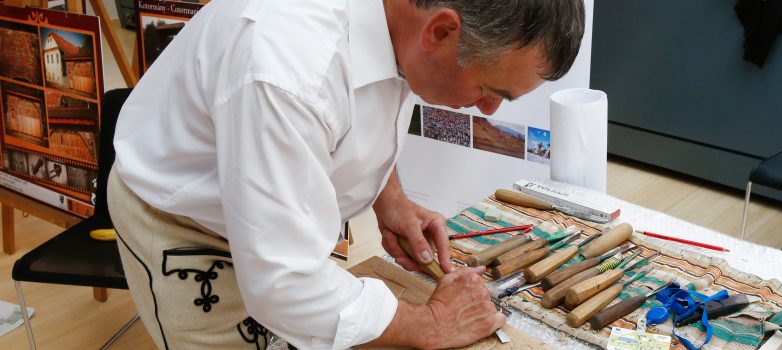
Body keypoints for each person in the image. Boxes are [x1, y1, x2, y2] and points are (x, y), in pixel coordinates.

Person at [108, 0, 584, 348]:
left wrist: (388, 195)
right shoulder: (287, 68)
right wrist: (432, 323)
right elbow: (284, 285)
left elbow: (360, 103)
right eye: (487, 87)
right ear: (440, 31)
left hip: (265, 211)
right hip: (185, 221)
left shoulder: (399, 21)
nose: (489, 109)